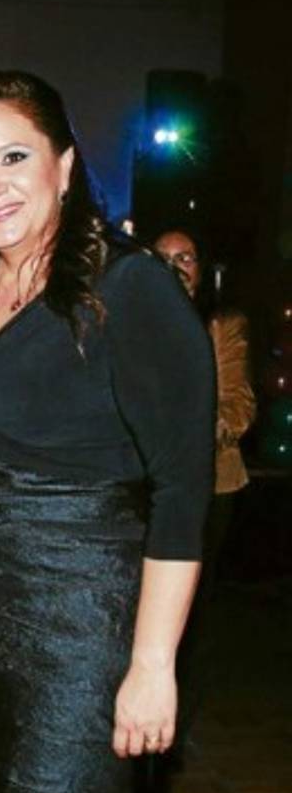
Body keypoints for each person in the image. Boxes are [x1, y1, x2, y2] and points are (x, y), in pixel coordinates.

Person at [0, 70, 215, 793]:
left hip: (78, 636)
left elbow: (182, 489)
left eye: (13, 157)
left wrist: (151, 666)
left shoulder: (130, 288)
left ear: (63, 165)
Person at [154, 228, 255, 735]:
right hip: (143, 487)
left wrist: (188, 435)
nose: (176, 267)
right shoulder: (129, 318)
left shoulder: (222, 325)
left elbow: (238, 405)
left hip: (209, 486)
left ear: (201, 267)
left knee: (191, 614)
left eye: (186, 257)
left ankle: (178, 723)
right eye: (164, 258)